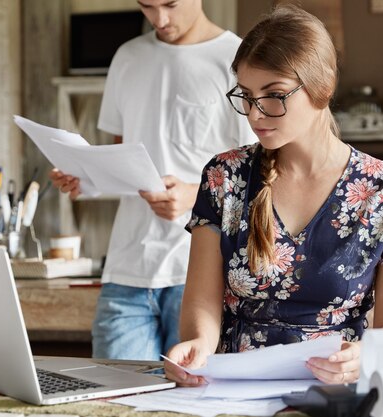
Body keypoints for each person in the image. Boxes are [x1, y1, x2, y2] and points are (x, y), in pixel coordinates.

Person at [164, 4, 383, 386]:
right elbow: (202, 303)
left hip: (337, 392)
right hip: (231, 391)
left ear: (320, 87)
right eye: (245, 94)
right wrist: (197, 343)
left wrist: (366, 356)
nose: (255, 114)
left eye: (273, 94)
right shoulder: (224, 177)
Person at [50, 0, 256, 360]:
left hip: (199, 272)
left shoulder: (237, 58)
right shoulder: (127, 57)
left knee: (194, 405)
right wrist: (86, 177)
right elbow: (121, 158)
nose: (159, 19)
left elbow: (260, 170)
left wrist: (197, 195)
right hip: (127, 269)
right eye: (147, 6)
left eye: (170, 5)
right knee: (111, 404)